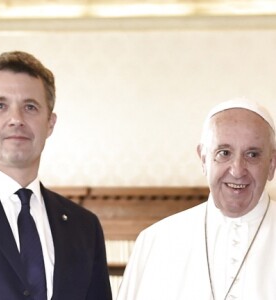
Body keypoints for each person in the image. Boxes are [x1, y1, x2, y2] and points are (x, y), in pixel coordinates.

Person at [0, 51, 112, 300]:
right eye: (0, 106)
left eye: (30, 107)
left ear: (50, 123)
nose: (16, 119)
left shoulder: (85, 228)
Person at [117, 98, 276, 300]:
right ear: (203, 159)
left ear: (271, 164)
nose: (237, 170)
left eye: (252, 155)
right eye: (224, 153)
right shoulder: (156, 242)